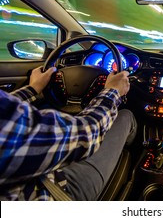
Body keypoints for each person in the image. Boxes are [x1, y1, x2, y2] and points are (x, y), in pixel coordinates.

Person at [0, 66, 137, 200]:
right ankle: (134, 154)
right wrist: (113, 91)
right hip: (51, 191)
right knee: (125, 116)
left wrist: (33, 89)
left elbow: (7, 112)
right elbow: (86, 134)